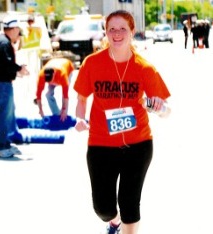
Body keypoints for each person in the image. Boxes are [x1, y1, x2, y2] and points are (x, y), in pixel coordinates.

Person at [73, 10, 171, 234]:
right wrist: (80, 118)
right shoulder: (92, 63)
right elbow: (81, 99)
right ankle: (113, 221)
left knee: (130, 205)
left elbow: (167, 111)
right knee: (103, 208)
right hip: (100, 144)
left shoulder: (144, 68)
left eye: (122, 29)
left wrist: (159, 106)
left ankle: (125, 225)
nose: (117, 34)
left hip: (138, 145)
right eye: (112, 29)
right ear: (106, 33)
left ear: (132, 32)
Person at [0, 15, 30, 158]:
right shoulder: (4, 43)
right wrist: (19, 69)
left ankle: (4, 143)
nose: (19, 35)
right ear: (14, 29)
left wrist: (17, 70)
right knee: (4, 114)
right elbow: (7, 63)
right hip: (1, 84)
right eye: (18, 31)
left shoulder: (0, 40)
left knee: (7, 114)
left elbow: (2, 64)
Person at [35, 57, 74, 122]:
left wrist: (64, 110)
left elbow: (65, 95)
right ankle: (57, 114)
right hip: (54, 65)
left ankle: (63, 115)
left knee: (64, 97)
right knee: (48, 94)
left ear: (54, 73)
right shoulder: (41, 76)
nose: (50, 83)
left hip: (68, 67)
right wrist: (40, 110)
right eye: (48, 81)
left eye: (51, 80)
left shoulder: (62, 74)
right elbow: (38, 95)